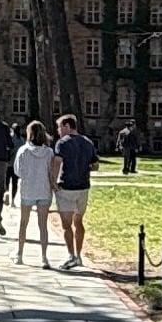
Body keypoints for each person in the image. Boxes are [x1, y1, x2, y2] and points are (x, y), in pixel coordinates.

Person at [52, 114, 98, 269]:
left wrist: (52, 182)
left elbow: (57, 163)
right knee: (79, 222)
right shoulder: (88, 142)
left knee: (66, 225)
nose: (58, 130)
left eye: (59, 127)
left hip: (66, 187)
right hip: (83, 187)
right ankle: (79, 255)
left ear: (67, 126)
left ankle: (71, 255)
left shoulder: (62, 143)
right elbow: (96, 165)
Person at [10, 119, 57, 264]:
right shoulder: (49, 152)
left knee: (23, 223)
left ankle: (19, 254)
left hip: (28, 190)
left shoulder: (23, 151)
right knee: (43, 225)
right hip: (44, 190)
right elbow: (51, 172)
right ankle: (44, 257)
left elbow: (17, 171)